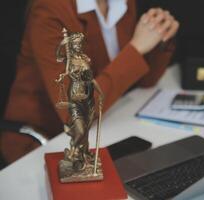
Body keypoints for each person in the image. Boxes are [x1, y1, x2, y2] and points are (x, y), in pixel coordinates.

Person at [1, 0, 179, 164]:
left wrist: (160, 35)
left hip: (104, 127)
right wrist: (137, 47)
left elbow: (144, 81)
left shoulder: (121, 3)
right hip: (44, 142)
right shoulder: (50, 10)